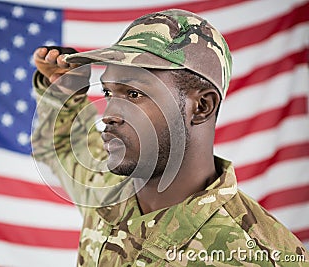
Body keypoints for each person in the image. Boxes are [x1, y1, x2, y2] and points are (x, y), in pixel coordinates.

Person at [31, 9, 308, 266]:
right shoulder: (106, 189)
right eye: (108, 93)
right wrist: (64, 94)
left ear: (201, 107)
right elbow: (58, 147)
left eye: (134, 94)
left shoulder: (261, 256)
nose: (109, 114)